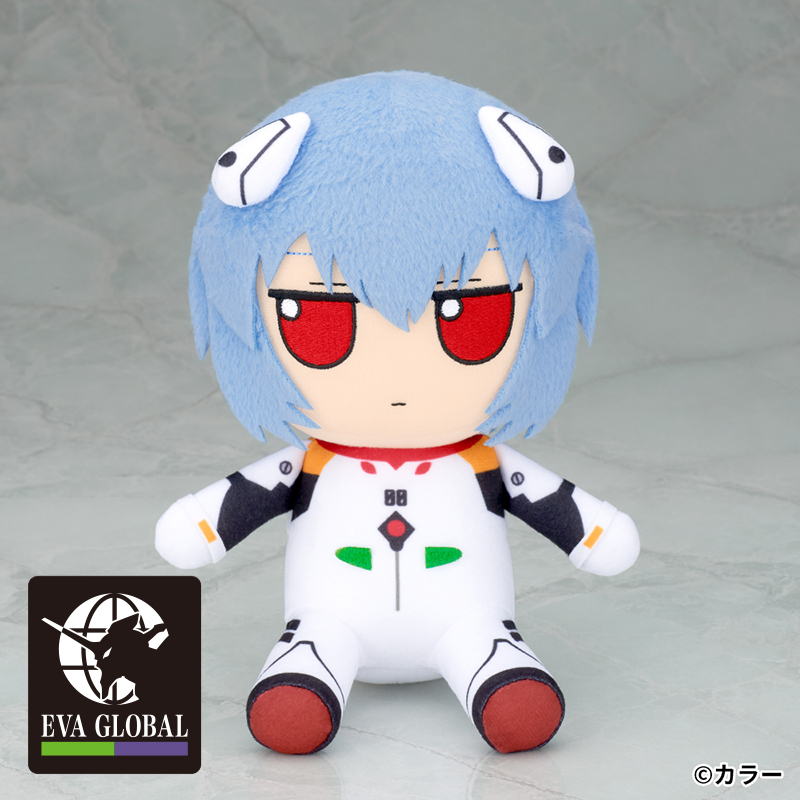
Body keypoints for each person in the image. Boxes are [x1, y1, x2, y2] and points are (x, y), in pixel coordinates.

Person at [156, 71, 639, 755]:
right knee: (314, 644)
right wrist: (203, 524)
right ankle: (309, 667)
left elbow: (560, 509)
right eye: (317, 322)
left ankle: (493, 666)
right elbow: (229, 510)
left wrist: (594, 532)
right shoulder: (313, 464)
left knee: (486, 643)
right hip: (328, 617)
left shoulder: (482, 462)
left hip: (470, 616)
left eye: (473, 318)